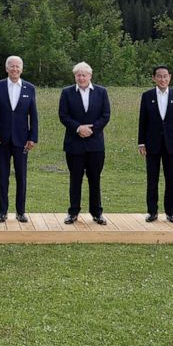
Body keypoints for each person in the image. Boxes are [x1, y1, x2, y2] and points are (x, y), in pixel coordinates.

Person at [0, 55, 38, 223]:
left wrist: (33, 137)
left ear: (22, 69)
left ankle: (20, 212)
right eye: (12, 66)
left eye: (18, 66)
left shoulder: (29, 88)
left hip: (22, 140)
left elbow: (34, 116)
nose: (15, 69)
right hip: (2, 140)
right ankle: (3, 211)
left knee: (21, 177)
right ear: (6, 68)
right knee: (3, 176)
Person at [58, 62, 111, 225]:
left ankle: (97, 213)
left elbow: (106, 114)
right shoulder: (67, 92)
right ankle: (73, 212)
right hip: (74, 144)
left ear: (90, 76)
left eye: (84, 75)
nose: (81, 78)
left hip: (95, 144)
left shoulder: (101, 92)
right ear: (75, 76)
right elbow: (63, 115)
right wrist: (78, 128)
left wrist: (92, 129)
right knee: (75, 179)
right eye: (78, 75)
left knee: (95, 179)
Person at [137, 65, 173, 223]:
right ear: (153, 78)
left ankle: (171, 212)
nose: (162, 79)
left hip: (172, 143)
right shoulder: (147, 96)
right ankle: (152, 211)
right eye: (159, 76)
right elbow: (142, 121)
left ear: (170, 77)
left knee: (170, 179)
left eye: (165, 76)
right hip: (152, 143)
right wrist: (141, 142)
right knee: (152, 179)